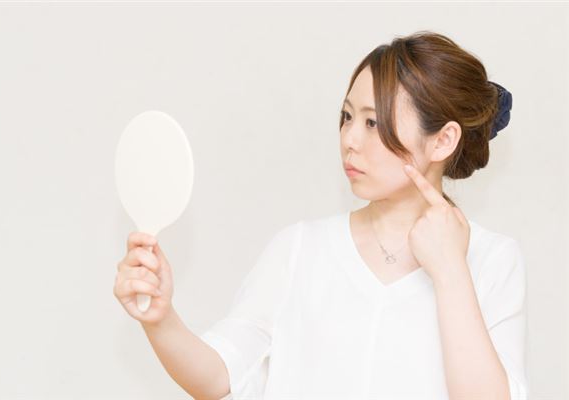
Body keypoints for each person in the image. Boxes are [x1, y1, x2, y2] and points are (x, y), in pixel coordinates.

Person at [114, 30, 527, 400]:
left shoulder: (492, 260)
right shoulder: (300, 248)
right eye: (347, 117)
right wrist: (160, 318)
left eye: (373, 122)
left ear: (443, 140)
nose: (350, 139)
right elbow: (219, 377)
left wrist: (451, 271)